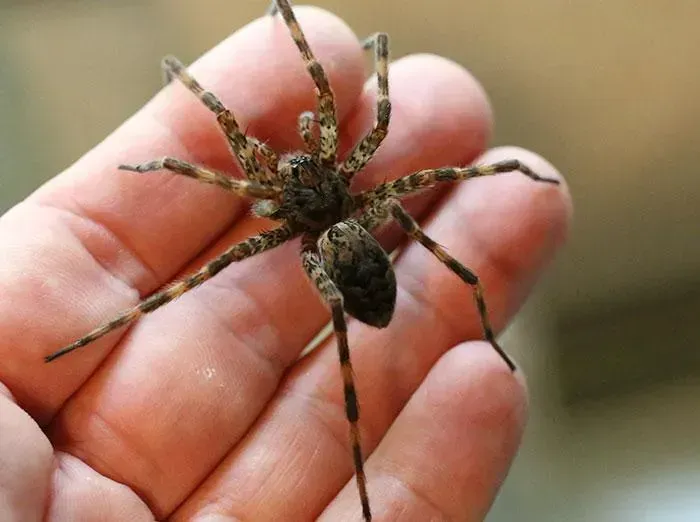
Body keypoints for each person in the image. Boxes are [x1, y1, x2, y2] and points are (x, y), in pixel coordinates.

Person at [0, 6, 571, 521]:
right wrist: (377, 55)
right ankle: (102, 330)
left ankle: (515, 192)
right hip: (345, 237)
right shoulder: (332, 177)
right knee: (231, 272)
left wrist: (175, 155)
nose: (296, 161)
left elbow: (237, 157)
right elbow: (345, 122)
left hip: (341, 241)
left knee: (281, 279)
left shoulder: (277, 197)